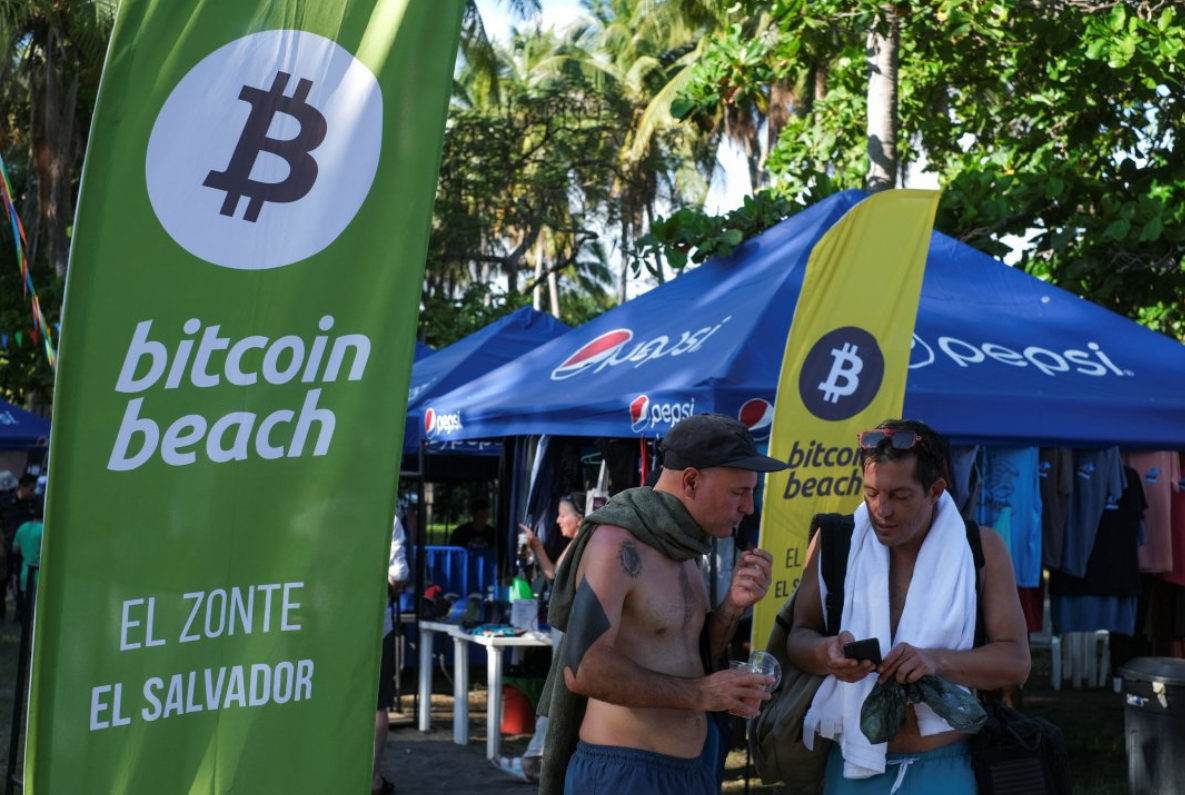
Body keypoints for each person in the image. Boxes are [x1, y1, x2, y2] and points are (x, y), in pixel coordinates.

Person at [538, 413, 788, 795]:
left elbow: (688, 653)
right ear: (690, 480)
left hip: (689, 769)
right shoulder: (616, 545)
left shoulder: (684, 546)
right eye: (738, 492)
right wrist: (703, 694)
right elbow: (583, 668)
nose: (749, 508)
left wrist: (732, 607)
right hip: (624, 775)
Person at [787, 418, 1030, 795]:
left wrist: (936, 661)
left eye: (899, 496)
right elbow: (799, 636)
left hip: (946, 765)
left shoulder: (983, 549)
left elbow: (1016, 663)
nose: (881, 509)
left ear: (935, 490)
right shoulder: (834, 542)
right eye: (871, 493)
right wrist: (825, 652)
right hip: (852, 764)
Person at [494, 492, 587, 783]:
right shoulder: (578, 545)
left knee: (556, 698)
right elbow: (553, 574)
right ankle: (534, 760)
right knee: (557, 698)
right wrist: (535, 546)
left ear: (580, 518)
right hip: (566, 631)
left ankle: (530, 761)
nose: (558, 520)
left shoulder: (584, 545)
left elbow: (557, 577)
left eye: (563, 514)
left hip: (571, 633)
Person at [373, 515, 410, 795]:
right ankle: (372, 779)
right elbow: (398, 576)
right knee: (377, 705)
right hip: (373, 625)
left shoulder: (321, 502)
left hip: (326, 625)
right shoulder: (386, 515)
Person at [1, 475, 39, 620]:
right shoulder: (6, 502)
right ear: (21, 487)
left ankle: (20, 614)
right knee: (3, 581)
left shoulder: (34, 503)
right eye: (31, 489)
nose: (33, 492)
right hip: (7, 548)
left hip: (23, 549)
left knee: (22, 582)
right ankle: (2, 613)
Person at [12, 501, 43, 624]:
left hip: (26, 574)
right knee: (37, 618)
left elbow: (15, 549)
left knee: (29, 616)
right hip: (41, 575)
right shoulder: (45, 529)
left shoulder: (23, 527)